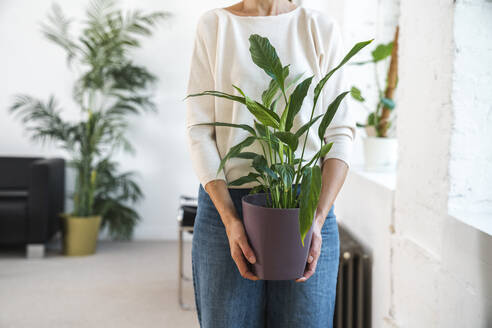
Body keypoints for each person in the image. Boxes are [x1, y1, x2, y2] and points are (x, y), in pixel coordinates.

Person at [185, 1, 355, 327]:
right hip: (228, 203)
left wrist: (316, 219)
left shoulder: (318, 27)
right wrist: (231, 220)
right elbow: (200, 130)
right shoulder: (215, 25)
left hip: (306, 203)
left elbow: (340, 131)